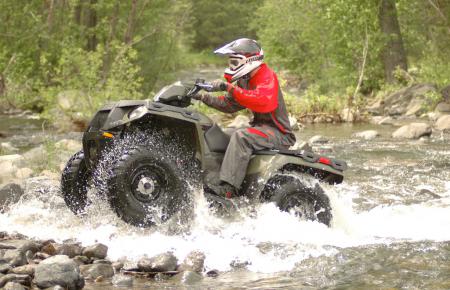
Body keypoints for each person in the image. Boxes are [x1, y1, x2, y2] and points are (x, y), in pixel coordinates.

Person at [193, 38, 296, 198]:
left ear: (249, 60)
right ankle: (212, 177)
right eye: (230, 62)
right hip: (261, 128)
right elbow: (230, 104)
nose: (231, 66)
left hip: (279, 133)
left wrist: (229, 87)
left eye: (234, 62)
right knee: (220, 133)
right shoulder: (245, 79)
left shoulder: (266, 76)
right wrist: (202, 97)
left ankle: (229, 189)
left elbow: (262, 100)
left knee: (242, 136)